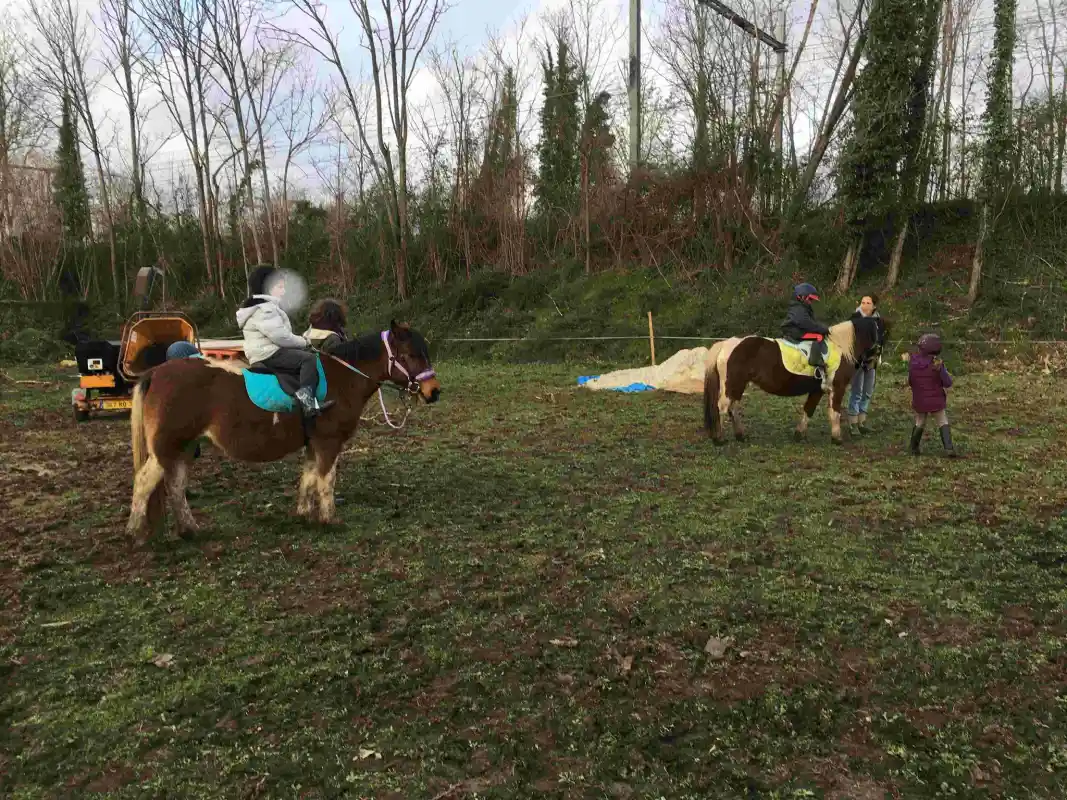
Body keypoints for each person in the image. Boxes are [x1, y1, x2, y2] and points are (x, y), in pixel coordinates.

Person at [235, 265, 334, 418]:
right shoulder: (265, 309)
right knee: (308, 359)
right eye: (280, 287)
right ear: (267, 288)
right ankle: (308, 403)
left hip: (265, 352)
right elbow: (281, 337)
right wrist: (305, 342)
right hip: (269, 353)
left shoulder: (260, 307)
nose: (283, 291)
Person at [907, 333, 956, 457]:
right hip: (936, 399)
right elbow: (947, 383)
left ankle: (913, 448)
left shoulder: (913, 363)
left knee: (920, 421)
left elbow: (911, 381)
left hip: (919, 399)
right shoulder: (937, 364)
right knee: (942, 421)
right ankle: (949, 448)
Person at [781, 282, 831, 390]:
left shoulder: (802, 306)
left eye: (812, 300)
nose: (811, 301)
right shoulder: (798, 308)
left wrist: (821, 327)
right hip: (796, 332)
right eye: (810, 299)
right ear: (801, 296)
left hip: (796, 330)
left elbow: (812, 322)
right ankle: (817, 365)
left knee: (819, 333)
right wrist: (822, 329)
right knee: (818, 337)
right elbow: (807, 324)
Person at [847, 294, 885, 436]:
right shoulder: (854, 319)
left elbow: (880, 339)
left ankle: (862, 421)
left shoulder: (878, 321)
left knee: (868, 391)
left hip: (872, 360)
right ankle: (853, 423)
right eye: (863, 302)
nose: (864, 305)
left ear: (874, 305)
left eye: (868, 303)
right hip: (858, 360)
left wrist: (878, 354)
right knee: (857, 391)